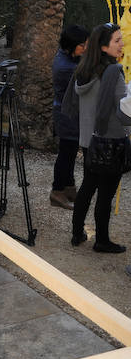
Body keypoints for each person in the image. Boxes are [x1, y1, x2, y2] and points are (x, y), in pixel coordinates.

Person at [68, 23, 131, 252]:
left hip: (88, 139)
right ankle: (102, 241)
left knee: (88, 186)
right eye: (117, 40)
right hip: (109, 140)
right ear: (104, 47)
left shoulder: (83, 70)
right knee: (106, 192)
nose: (122, 44)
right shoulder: (113, 72)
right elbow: (124, 112)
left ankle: (77, 234)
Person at [50, 23, 88, 209]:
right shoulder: (67, 68)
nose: (86, 48)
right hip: (67, 117)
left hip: (68, 113)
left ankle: (69, 187)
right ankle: (57, 191)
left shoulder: (67, 56)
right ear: (71, 46)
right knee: (66, 154)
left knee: (70, 153)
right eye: (83, 45)